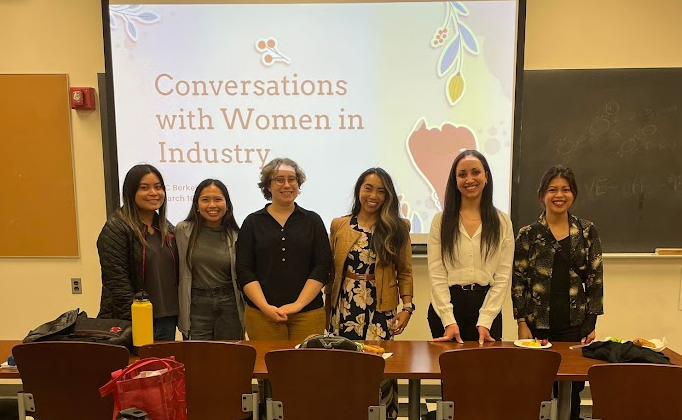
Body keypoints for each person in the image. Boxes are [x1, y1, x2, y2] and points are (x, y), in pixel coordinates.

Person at [512, 165, 603, 420]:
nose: (559, 195)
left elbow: (595, 278)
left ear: (573, 194)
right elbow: (518, 280)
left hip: (574, 324)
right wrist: (521, 322)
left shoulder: (586, 231)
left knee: (571, 390)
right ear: (542, 194)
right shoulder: (528, 234)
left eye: (565, 189)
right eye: (552, 189)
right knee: (538, 389)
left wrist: (591, 322)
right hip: (535, 325)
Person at [327, 168, 413, 420]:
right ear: (359, 190)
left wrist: (407, 308)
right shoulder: (340, 225)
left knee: (379, 368)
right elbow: (330, 271)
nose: (373, 195)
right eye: (368, 188)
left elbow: (405, 271)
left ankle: (385, 415)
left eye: (381, 191)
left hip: (380, 308)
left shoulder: (398, 227)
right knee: (345, 367)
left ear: (388, 196)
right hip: (344, 306)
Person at [236, 157, 332, 341]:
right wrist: (265, 307)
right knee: (267, 367)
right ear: (268, 186)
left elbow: (322, 266)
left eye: (292, 179)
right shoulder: (252, 222)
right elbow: (244, 270)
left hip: (308, 313)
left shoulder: (313, 221)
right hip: (261, 314)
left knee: (306, 367)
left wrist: (298, 305)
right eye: (279, 179)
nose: (287, 185)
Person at [427, 150, 514, 344]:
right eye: (462, 174)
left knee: (486, 373)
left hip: (487, 310)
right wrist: (448, 321)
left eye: (476, 172)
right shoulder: (440, 221)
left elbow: (502, 277)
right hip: (446, 309)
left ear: (486, 177)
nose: (469, 179)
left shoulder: (502, 222)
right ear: (455, 180)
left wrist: (485, 321)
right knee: (450, 373)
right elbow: (437, 274)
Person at [97, 164, 179, 341]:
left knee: (162, 368)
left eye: (158, 187)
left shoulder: (166, 229)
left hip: (166, 319)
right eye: (144, 188)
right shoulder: (116, 228)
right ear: (130, 192)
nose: (154, 193)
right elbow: (117, 283)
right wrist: (137, 322)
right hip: (132, 321)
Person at [176, 179, 245, 340]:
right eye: (205, 200)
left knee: (229, 357)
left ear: (227, 204)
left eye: (218, 199)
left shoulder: (236, 235)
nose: (212, 205)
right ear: (197, 205)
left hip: (230, 304)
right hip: (196, 304)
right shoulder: (183, 231)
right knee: (198, 358)